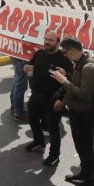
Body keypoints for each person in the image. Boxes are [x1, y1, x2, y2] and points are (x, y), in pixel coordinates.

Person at [50, 37, 94, 186]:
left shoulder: (89, 68)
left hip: (84, 114)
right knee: (81, 147)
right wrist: (69, 76)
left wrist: (65, 82)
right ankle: (83, 176)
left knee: (86, 148)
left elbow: (85, 95)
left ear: (72, 51)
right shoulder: (80, 63)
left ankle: (89, 185)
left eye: (65, 52)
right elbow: (78, 83)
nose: (64, 55)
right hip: (77, 112)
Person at [23, 30, 74, 166]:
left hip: (53, 99)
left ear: (58, 43)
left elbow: (71, 80)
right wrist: (26, 68)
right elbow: (30, 66)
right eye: (46, 39)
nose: (47, 42)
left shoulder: (64, 59)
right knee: (32, 119)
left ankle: (54, 155)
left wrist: (62, 100)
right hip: (36, 96)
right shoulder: (39, 54)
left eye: (50, 40)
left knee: (53, 128)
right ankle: (39, 142)